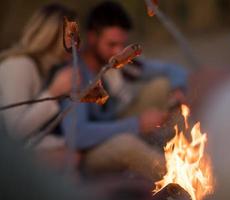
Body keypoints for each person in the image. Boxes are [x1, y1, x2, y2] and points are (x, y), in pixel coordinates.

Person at [62, 1, 188, 180]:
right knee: (126, 145)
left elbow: (174, 71)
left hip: (117, 122)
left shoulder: (119, 62)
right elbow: (77, 135)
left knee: (162, 86)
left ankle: (194, 152)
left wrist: (177, 90)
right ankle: (184, 180)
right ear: (92, 38)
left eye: (122, 44)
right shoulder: (75, 75)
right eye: (111, 44)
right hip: (88, 152)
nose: (118, 51)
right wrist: (137, 124)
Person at [0, 4, 75, 149]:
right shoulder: (19, 66)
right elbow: (14, 132)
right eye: (71, 35)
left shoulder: (45, 68)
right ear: (52, 35)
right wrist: (53, 92)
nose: (76, 43)